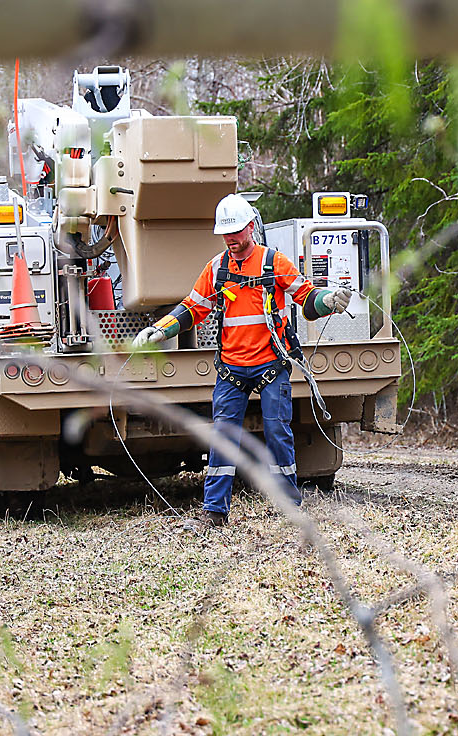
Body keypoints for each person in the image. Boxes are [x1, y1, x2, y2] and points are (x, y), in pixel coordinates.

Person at [134, 193, 352, 527]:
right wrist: (160, 330)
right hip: (231, 369)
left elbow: (307, 298)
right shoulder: (217, 268)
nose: (231, 239)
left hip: (271, 365)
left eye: (235, 231)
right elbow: (192, 308)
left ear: (251, 227)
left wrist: (329, 301)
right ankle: (214, 512)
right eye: (225, 233)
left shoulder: (273, 263)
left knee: (278, 433)